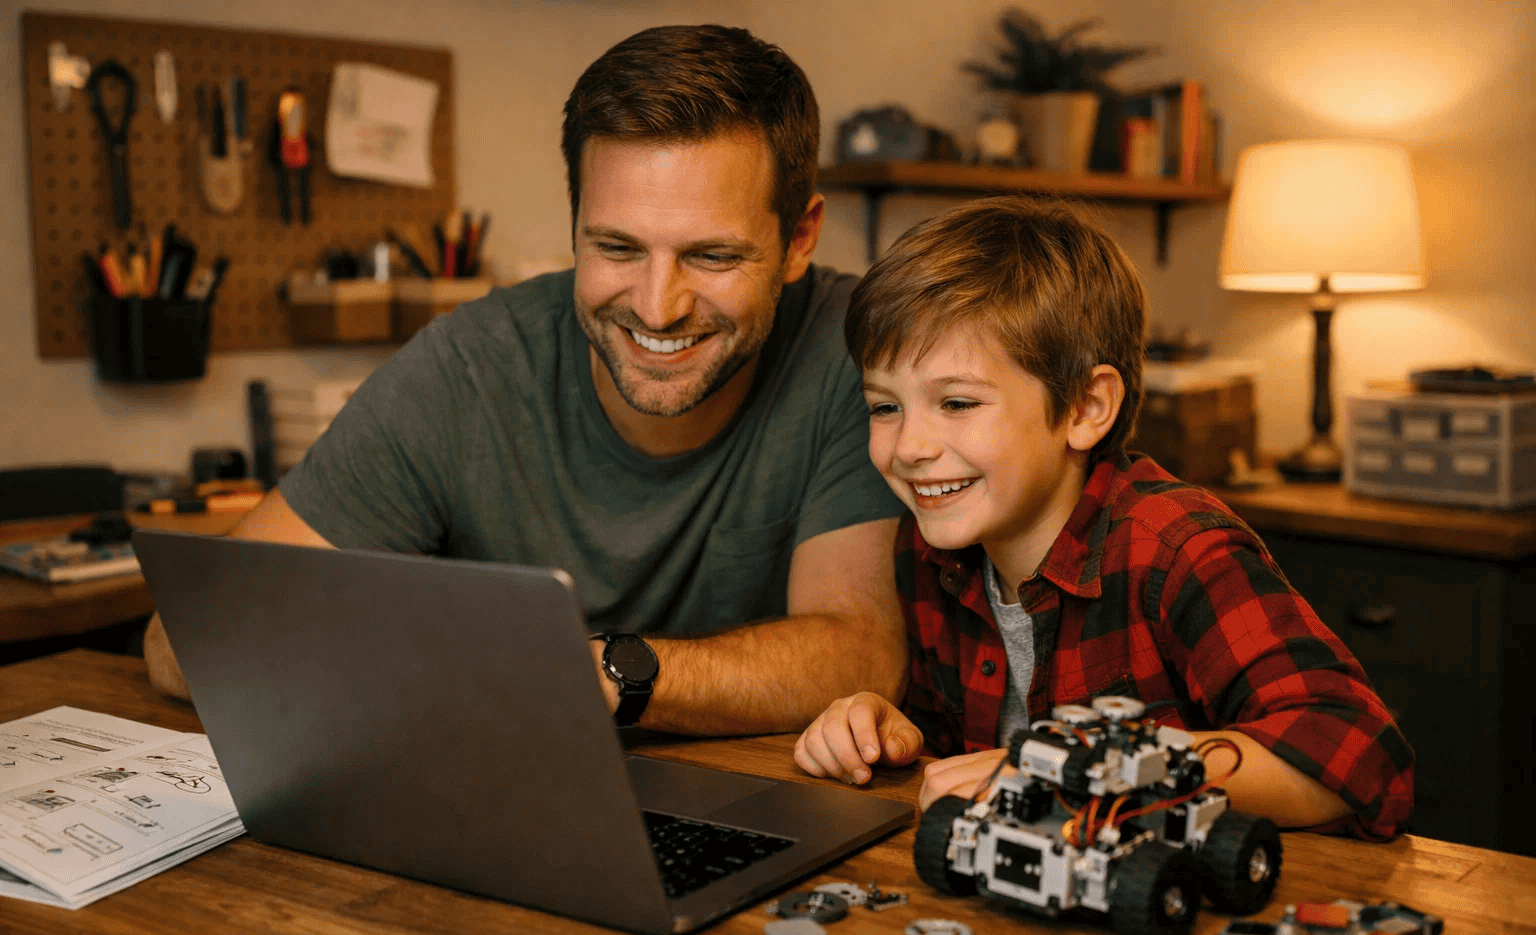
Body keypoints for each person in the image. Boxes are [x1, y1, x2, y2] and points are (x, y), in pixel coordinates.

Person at [145, 25, 908, 734]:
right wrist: (491, 667)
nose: (657, 306)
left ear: (799, 238)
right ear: (574, 226)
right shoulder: (467, 367)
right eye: (616, 248)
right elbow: (183, 646)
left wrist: (603, 673)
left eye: (711, 256)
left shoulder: (860, 349)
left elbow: (862, 656)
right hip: (503, 791)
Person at [792, 196, 1414, 840]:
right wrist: (879, 726)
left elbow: (1359, 753)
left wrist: (1078, 771)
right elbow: (955, 757)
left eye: (955, 402)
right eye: (884, 407)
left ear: (1087, 407)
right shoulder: (931, 550)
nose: (909, 447)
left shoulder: (1176, 546)